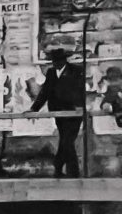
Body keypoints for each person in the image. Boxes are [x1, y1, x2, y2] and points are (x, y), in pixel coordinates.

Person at [31, 47, 89, 179]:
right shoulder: (51, 73)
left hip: (73, 113)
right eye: (53, 61)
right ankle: (66, 171)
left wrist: (79, 107)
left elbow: (80, 91)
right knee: (66, 141)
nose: (55, 64)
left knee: (67, 142)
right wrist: (34, 108)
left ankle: (65, 169)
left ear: (63, 60)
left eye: (57, 61)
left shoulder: (76, 71)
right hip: (59, 114)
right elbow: (45, 92)